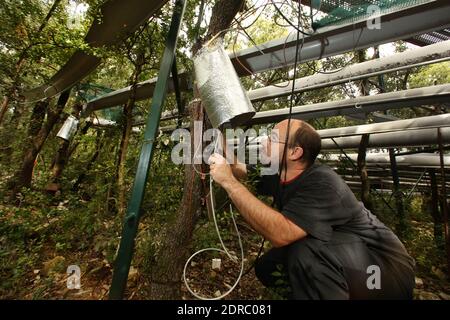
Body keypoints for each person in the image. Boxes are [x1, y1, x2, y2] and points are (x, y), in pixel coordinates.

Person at [208, 119, 415, 300]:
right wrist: (218, 134)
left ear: (295, 152)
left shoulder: (323, 182)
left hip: (384, 273)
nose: (264, 141)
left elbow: (281, 233)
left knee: (305, 253)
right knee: (268, 266)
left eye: (272, 138)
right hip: (351, 262)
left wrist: (229, 183)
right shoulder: (280, 172)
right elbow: (240, 168)